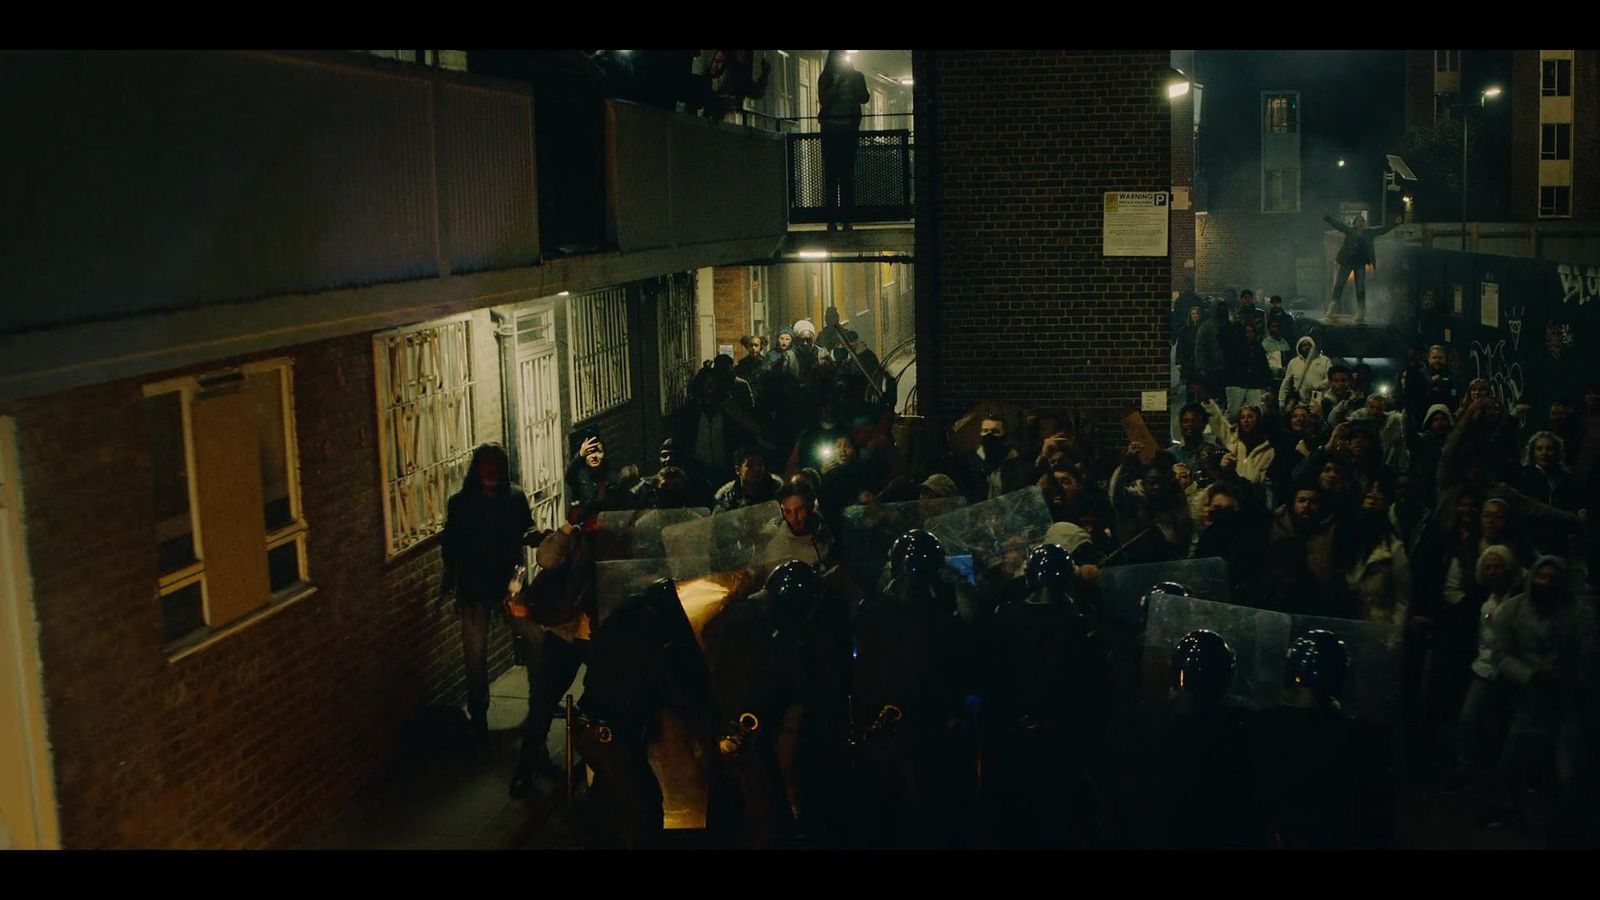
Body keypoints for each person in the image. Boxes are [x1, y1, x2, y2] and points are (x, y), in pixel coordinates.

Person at [438, 443, 537, 739]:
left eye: (496, 465)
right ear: (476, 469)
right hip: (475, 587)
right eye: (485, 465)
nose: (491, 471)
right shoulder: (461, 504)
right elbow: (451, 544)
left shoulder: (515, 498)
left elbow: (525, 532)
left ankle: (540, 704)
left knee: (535, 642)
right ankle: (478, 715)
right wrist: (452, 578)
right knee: (475, 654)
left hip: (511, 585)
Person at [818, 50, 869, 232]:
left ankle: (846, 220)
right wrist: (839, 83)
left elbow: (864, 97)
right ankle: (832, 221)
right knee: (832, 177)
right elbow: (824, 100)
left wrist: (853, 81)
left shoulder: (856, 77)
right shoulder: (826, 77)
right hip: (832, 132)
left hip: (848, 131)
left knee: (846, 176)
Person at [1323, 210, 1395, 323]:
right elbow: (1338, 225)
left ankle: (1360, 311)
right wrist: (1327, 217)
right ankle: (1333, 306)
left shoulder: (1369, 233)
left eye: (1362, 221)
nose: (1361, 223)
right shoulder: (1350, 231)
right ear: (1354, 224)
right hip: (1347, 262)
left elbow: (1382, 230)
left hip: (1360, 263)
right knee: (1340, 284)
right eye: (1358, 221)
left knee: (1360, 287)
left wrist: (1394, 224)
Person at [958, 414, 1029, 503]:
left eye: (995, 431)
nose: (989, 435)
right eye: (985, 431)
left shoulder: (1015, 463)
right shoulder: (970, 462)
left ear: (1005, 435)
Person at [714, 446, 785, 513]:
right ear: (738, 470)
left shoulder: (777, 490)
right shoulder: (727, 498)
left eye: (760, 465)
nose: (757, 469)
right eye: (750, 466)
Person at [1278, 335, 1330, 408]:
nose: (1306, 347)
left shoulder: (1325, 361)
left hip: (1319, 402)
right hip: (1300, 404)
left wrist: (1318, 386)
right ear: (1299, 348)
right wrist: (1281, 400)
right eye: (1303, 345)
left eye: (1309, 345)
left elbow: (1330, 379)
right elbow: (1286, 382)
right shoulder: (1294, 362)